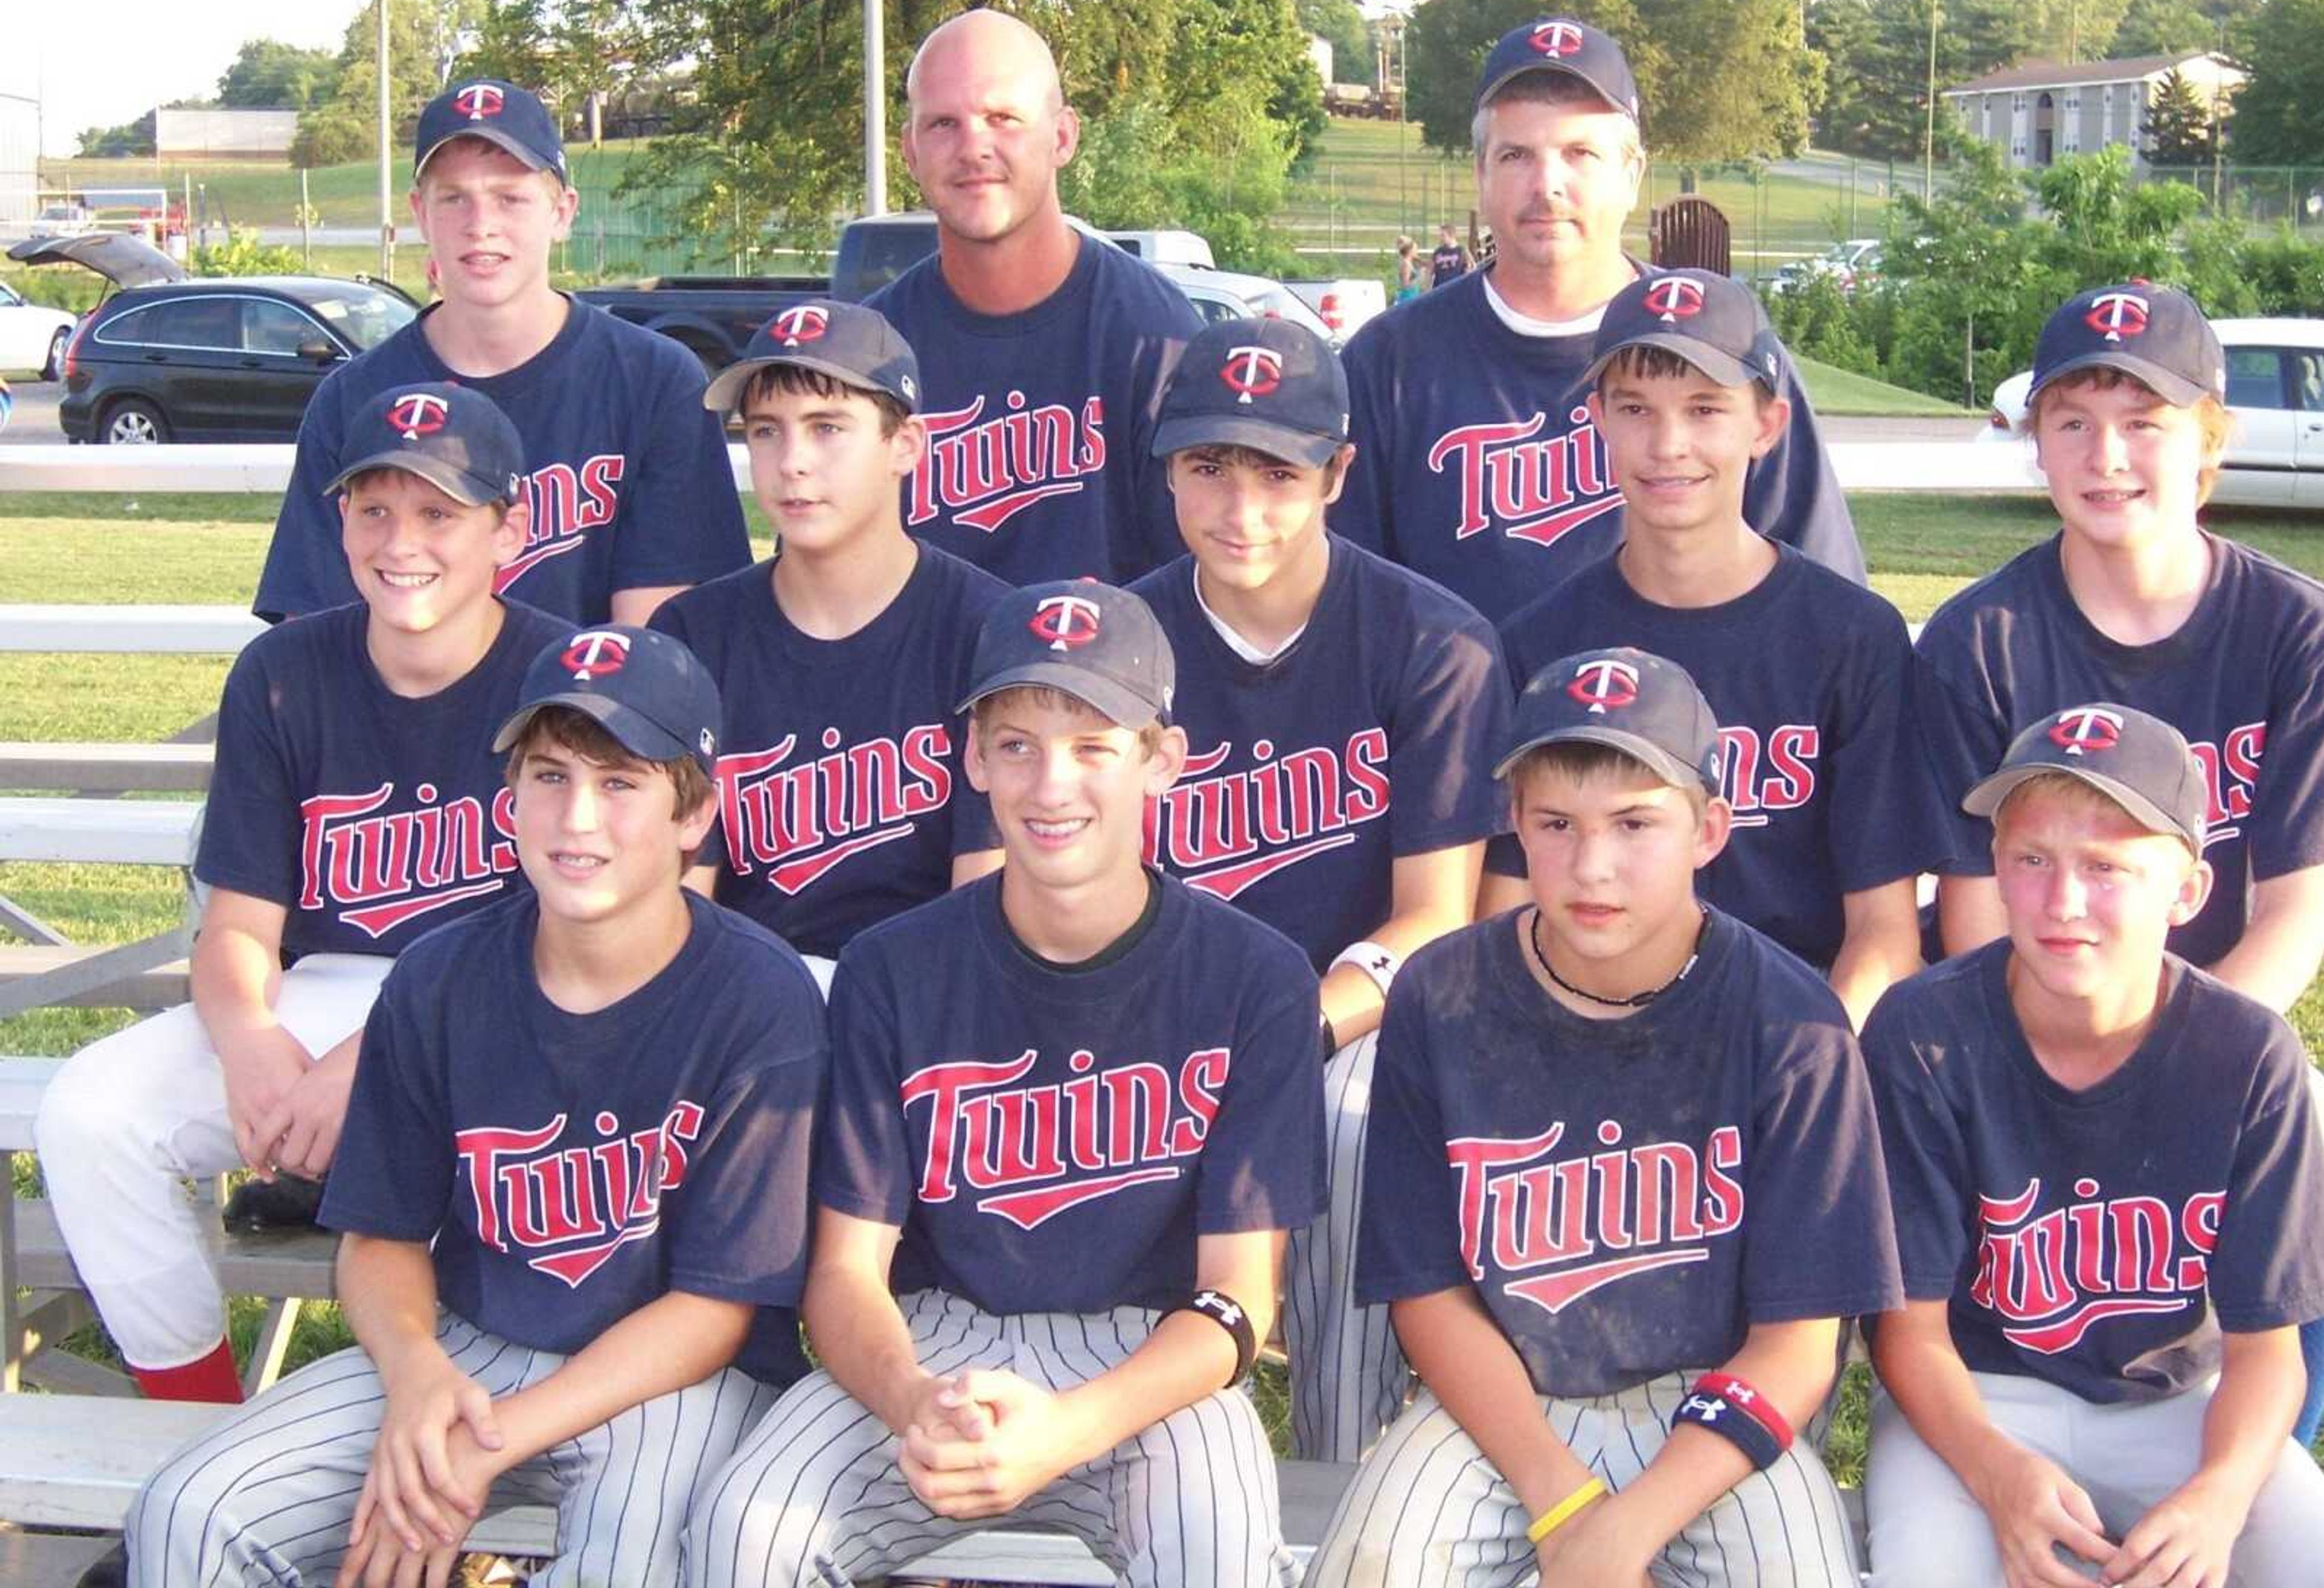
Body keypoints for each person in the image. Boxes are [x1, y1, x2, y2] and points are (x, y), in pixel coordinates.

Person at [122, 624, 826, 1586]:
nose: (578, 818)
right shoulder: (440, 976)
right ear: (508, 798)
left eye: (621, 784)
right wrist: (417, 1382)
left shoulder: (760, 998)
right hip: (465, 1346)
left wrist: (483, 1445)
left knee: (632, 1559)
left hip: (675, 1378)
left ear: (695, 811)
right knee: (191, 1513)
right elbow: (380, 1239)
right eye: (548, 776)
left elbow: (713, 1312)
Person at [681, 582, 1326, 1587]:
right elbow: (847, 1274)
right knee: (743, 1530)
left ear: (1162, 761)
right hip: (935, 1336)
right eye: (1016, 744)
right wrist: (912, 1403)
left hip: (1152, 1365)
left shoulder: (1256, 976)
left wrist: (1067, 1427)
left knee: (1219, 1553)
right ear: (973, 756)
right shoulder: (894, 967)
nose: (1048, 785)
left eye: (1093, 748)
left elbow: (1237, 1300)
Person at [1305, 646, 1900, 1587]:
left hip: (1718, 1422)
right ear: (1515, 823)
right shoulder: (1443, 994)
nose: (1593, 865)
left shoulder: (1794, 1024)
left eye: (1635, 823)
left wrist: (1628, 1533)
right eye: (1557, 822)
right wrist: (1567, 1502)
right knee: (1376, 1567)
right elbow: (1430, 1295)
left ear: (1710, 828)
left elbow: (1798, 1348)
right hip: (1502, 1410)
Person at [35, 385, 569, 1407]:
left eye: (439, 513)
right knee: (92, 1114)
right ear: (339, 523)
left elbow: (564, 937)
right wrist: (252, 1046)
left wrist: (367, 1065)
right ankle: (198, 1431)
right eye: (374, 509)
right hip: (322, 991)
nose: (400, 541)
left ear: (510, 529)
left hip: (508, 1014)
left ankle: (474, 1471)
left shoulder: (560, 677)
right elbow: (240, 922)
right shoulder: (282, 672)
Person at [1917, 280, 2324, 1441]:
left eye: (2145, 421)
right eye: (2074, 420)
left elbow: (2300, 902)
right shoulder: (1980, 642)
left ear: (2205, 442)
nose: (2108, 455)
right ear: (2035, 439)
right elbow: (1974, 905)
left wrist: (2195, 1067)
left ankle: (2251, 1455)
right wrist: (2042, 1074)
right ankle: (1996, 1416)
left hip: (2214, 1017)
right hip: (2025, 1028)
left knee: (2313, 1131)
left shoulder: (2297, 633)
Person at [1128, 316, 1507, 1462]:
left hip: (1356, 1016)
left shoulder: (1433, 642)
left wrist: (1286, 1029)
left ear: (1339, 474)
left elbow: (1437, 915)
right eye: (1209, 469)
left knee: (1349, 1114)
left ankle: (1335, 1463)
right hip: (1155, 1006)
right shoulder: (1122, 641)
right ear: (1168, 470)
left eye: (1279, 474)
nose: (1242, 511)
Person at [1860, 704, 2324, 1587]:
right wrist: (1996, 1475)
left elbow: (2269, 1349)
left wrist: (2219, 1497)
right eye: (2033, 860)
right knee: (1934, 1571)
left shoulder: (2246, 1054)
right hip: (1972, 1400)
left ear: (2187, 892)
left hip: (2175, 1405)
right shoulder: (1924, 1034)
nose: (2063, 901)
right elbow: (1907, 1331)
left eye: (2106, 867)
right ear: (1995, 867)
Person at [1487, 269, 1947, 1022]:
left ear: (1766, 424)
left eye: (1705, 410)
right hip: (1592, 1039)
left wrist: (1814, 1071)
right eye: (1636, 408)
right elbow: (1506, 921)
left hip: (1795, 1030)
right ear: (1596, 418)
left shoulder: (1850, 637)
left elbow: (1884, 937)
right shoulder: (1539, 646)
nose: (1669, 445)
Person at [1334, 18, 1863, 625]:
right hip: (1465, 717)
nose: (1547, 185)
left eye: (1580, 154)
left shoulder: (1722, 346)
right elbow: (1346, 607)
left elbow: (1824, 600)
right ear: (1480, 175)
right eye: (1515, 156)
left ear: (1633, 174)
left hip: (1690, 717)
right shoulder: (1389, 361)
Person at [253, 77, 750, 626]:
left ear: (562, 212)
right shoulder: (352, 399)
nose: (481, 226)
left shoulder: (655, 380)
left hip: (586, 708)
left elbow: (650, 644)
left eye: (510, 198)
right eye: (455, 198)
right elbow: (318, 638)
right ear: (421, 213)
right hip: (401, 711)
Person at [651, 301, 1004, 988]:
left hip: (926, 999)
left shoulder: (985, 628)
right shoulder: (692, 634)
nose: (792, 464)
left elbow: (982, 904)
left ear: (906, 444)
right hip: (744, 1002)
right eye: (766, 432)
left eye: (828, 429)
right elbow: (680, 893)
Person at [866, 8, 1201, 585]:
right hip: (924, 675)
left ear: (1063, 136)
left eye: (1004, 118)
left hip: (1105, 671)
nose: (974, 147)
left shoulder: (1156, 335)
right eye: (943, 124)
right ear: (910, 150)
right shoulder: (871, 353)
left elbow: (1198, 587)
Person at [1427, 222, 1471, 289]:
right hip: (1439, 288)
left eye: (1443, 235)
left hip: (1456, 288)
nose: (1441, 238)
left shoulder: (1462, 251)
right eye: (1440, 235)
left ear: (1452, 235)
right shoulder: (1438, 251)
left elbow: (1470, 269)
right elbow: (1430, 271)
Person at [1393, 235, 1423, 304]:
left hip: (1413, 296)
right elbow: (1405, 285)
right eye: (1416, 249)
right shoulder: (1406, 264)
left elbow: (1421, 261)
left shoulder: (1409, 262)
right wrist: (1419, 278)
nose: (1417, 251)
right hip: (1407, 298)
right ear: (1410, 251)